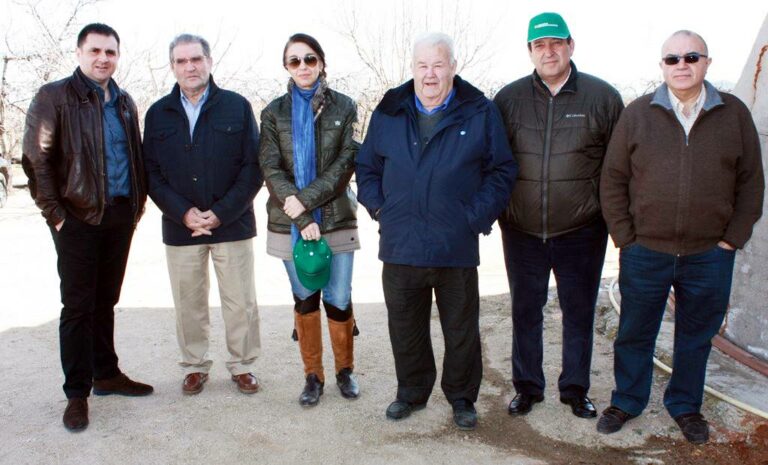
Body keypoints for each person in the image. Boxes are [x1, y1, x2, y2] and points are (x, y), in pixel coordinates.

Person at [598, 30, 764, 444]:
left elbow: (751, 183)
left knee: (695, 337)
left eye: (691, 56)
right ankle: (627, 400)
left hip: (709, 254)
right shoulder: (637, 114)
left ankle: (686, 407)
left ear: (707, 62)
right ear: (662, 66)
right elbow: (613, 179)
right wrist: (625, 237)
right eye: (672, 59)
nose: (682, 65)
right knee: (635, 332)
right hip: (645, 251)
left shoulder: (733, 114)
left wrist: (732, 240)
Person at [356, 32, 518, 431]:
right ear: (412, 69)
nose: (430, 74)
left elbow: (502, 170)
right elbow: (367, 167)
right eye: (422, 66)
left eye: (438, 64)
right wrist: (381, 208)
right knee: (405, 327)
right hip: (400, 243)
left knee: (461, 329)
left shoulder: (478, 111)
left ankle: (462, 398)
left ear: (453, 67)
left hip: (454, 244)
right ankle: (411, 393)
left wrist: (474, 218)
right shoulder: (389, 110)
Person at [22, 23, 153, 432]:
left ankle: (107, 373)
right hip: (76, 218)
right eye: (95, 50)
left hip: (119, 216)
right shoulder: (55, 96)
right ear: (79, 53)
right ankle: (77, 393)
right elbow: (35, 159)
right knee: (78, 306)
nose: (103, 58)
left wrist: (137, 205)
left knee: (106, 300)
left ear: (117, 56)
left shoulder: (126, 102)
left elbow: (134, 155)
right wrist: (56, 215)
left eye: (110, 52)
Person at [493, 12, 624, 419]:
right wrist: (500, 212)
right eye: (539, 45)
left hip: (581, 230)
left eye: (555, 43)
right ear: (529, 51)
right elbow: (495, 161)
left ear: (570, 45)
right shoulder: (508, 99)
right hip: (522, 230)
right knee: (525, 311)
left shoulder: (602, 98)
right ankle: (528, 387)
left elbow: (618, 167)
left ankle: (574, 389)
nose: (548, 51)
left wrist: (609, 219)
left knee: (579, 311)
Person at [143, 34, 262, 396]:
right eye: (181, 61)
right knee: (188, 304)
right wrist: (184, 213)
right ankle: (194, 366)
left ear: (209, 62)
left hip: (233, 222)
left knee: (240, 301)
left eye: (196, 59)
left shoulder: (237, 106)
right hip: (181, 228)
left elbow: (253, 168)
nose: (190, 67)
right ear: (173, 67)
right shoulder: (158, 113)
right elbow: (150, 173)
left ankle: (243, 366)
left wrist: (220, 213)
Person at [259, 33, 361, 407]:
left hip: (336, 218)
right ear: (286, 66)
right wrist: (301, 217)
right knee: (305, 296)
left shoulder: (346, 106)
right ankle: (313, 376)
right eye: (294, 61)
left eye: (310, 59)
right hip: (289, 222)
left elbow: (344, 166)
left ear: (322, 63)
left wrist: (304, 202)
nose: (303, 67)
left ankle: (345, 371)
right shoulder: (272, 113)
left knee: (338, 296)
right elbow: (271, 168)